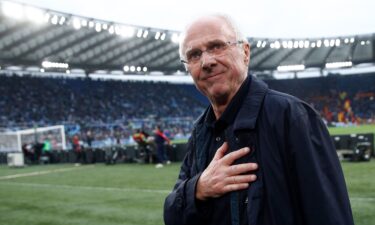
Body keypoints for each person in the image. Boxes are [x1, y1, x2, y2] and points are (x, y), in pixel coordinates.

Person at [164, 14, 354, 225]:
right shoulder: (200, 131)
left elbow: (330, 216)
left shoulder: (292, 117)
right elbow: (172, 215)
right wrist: (198, 189)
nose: (207, 61)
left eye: (217, 46)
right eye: (194, 54)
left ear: (245, 53)